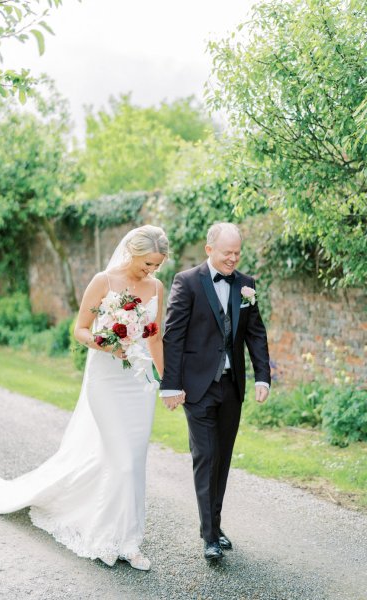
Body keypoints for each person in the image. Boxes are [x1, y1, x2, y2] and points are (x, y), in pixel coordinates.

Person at [0, 225, 168, 571]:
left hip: (139, 383)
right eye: (147, 263)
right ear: (133, 252)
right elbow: (80, 329)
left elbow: (155, 338)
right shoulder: (103, 281)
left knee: (132, 462)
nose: (151, 271)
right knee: (121, 460)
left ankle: (130, 541)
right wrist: (103, 343)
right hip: (105, 378)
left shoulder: (156, 287)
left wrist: (167, 382)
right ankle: (108, 538)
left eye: (157, 265)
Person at [160, 222, 270, 561]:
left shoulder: (246, 285)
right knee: (206, 456)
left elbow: (255, 334)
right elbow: (173, 336)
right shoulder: (187, 282)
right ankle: (209, 535)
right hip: (197, 388)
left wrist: (262, 377)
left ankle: (213, 525)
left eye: (237, 253)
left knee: (221, 459)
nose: (233, 259)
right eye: (227, 253)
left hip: (231, 386)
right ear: (210, 250)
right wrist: (171, 385)